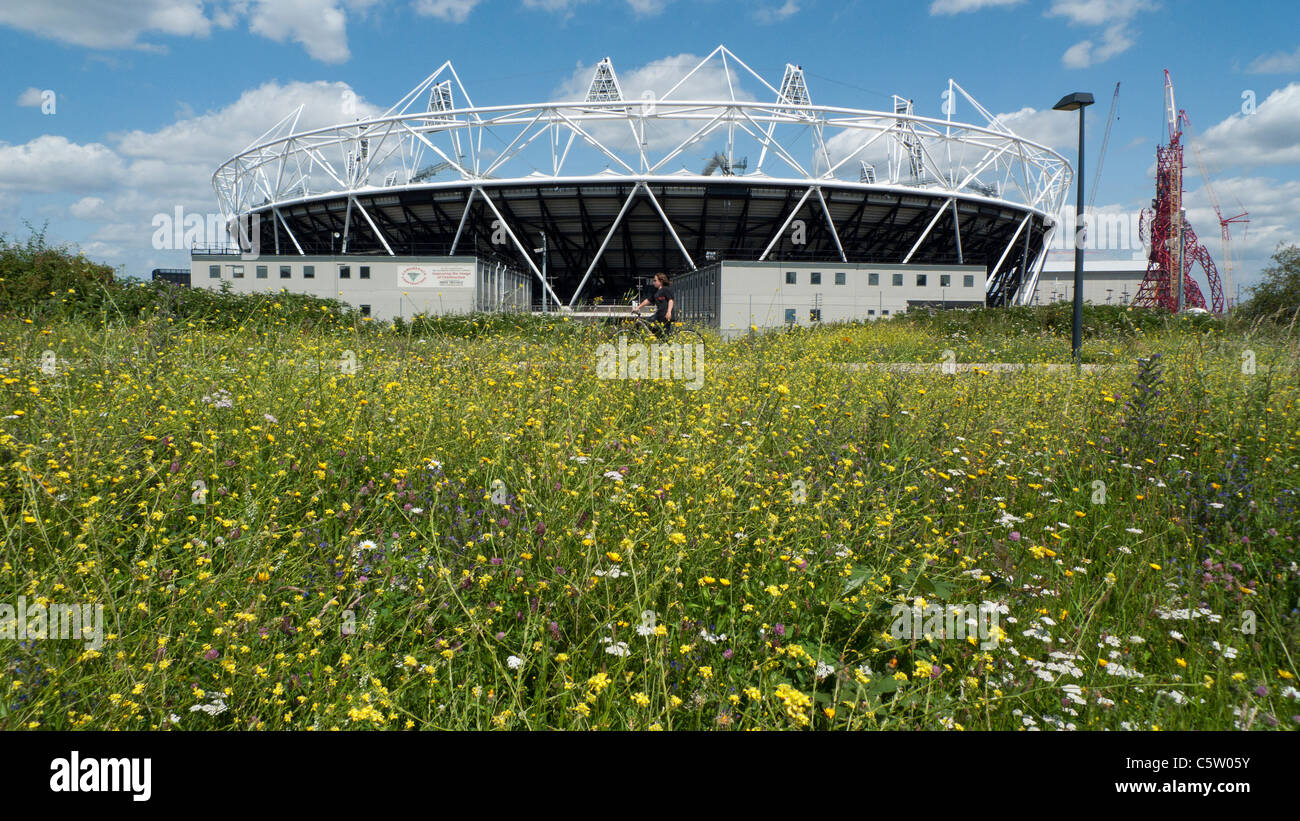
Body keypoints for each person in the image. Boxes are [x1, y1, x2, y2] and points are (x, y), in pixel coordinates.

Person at [632, 272, 675, 338]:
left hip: (666, 314)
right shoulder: (656, 292)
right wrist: (638, 307)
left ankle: (666, 343)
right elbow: (648, 300)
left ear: (661, 281)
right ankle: (656, 339)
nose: (653, 283)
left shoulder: (666, 289)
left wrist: (669, 312)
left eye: (655, 280)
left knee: (665, 335)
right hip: (659, 314)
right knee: (648, 322)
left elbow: (671, 300)